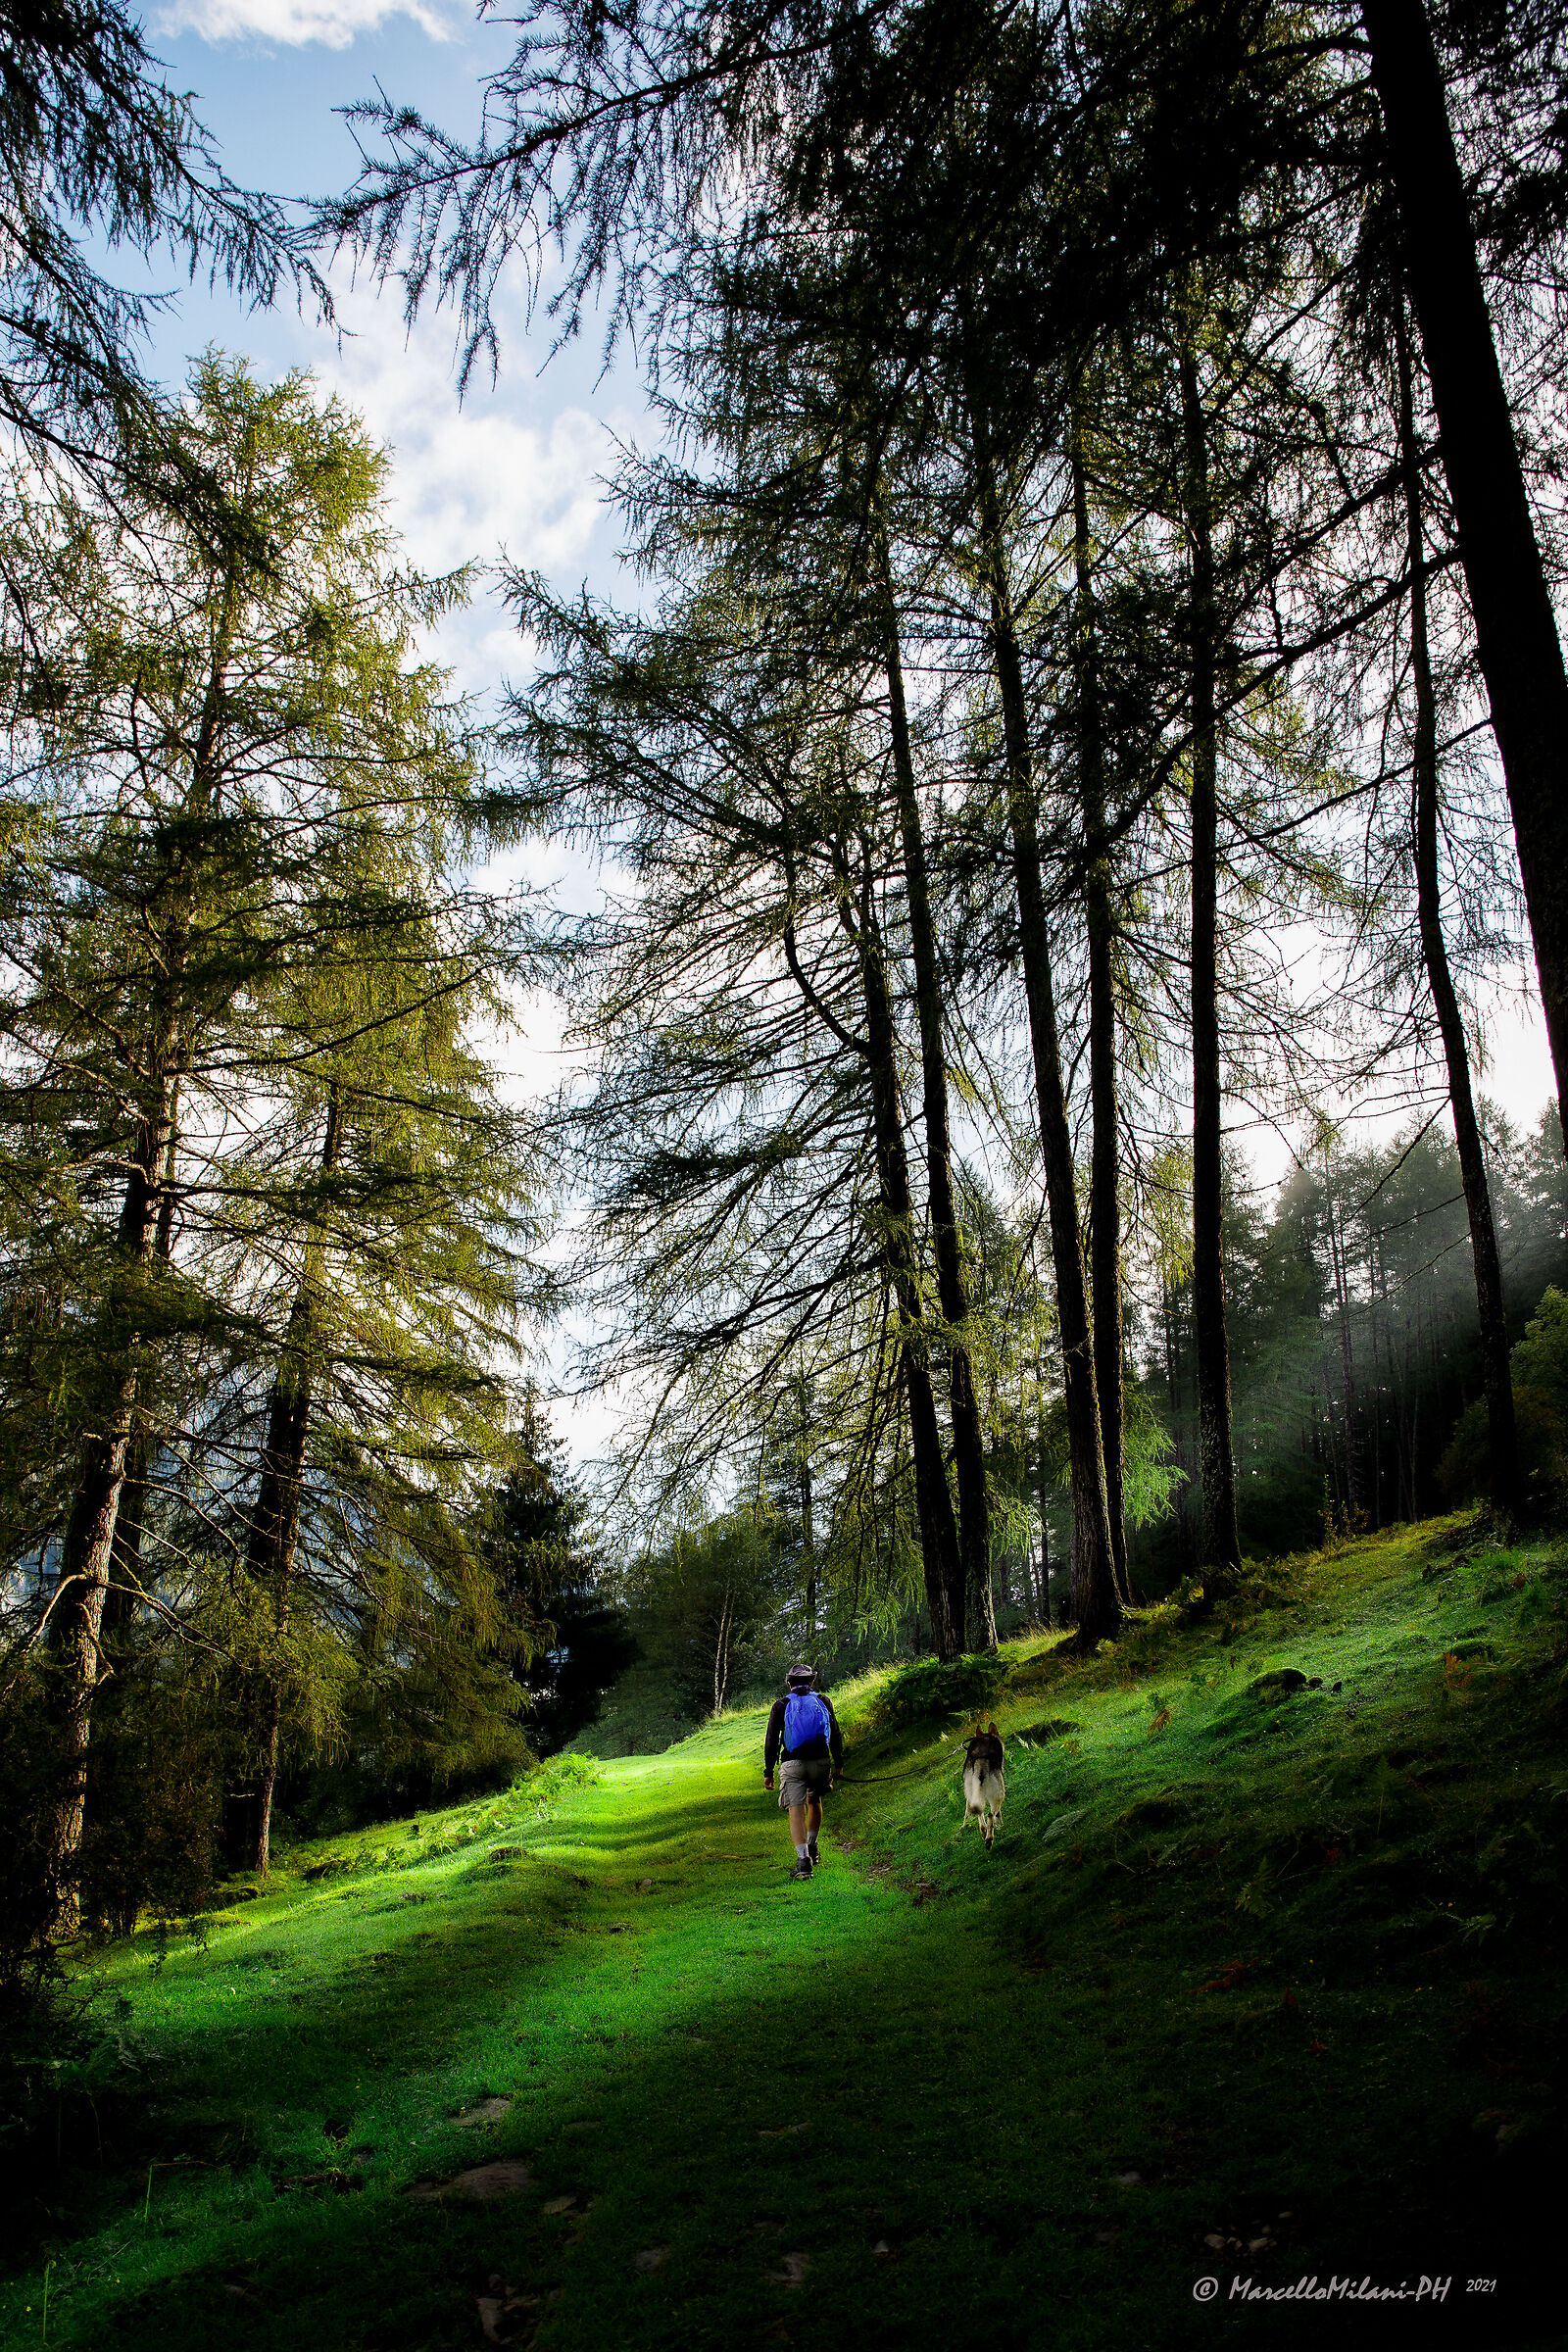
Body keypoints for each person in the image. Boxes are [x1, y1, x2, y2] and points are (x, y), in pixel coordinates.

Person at [762, 1663, 843, 1880]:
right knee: (814, 1801)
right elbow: (835, 1733)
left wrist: (768, 1771)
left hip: (792, 1764)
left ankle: (803, 1862)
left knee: (795, 1809)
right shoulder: (823, 1701)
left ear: (789, 1683)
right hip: (820, 1762)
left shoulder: (780, 1705)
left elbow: (771, 1741)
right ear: (812, 1682)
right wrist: (839, 1763)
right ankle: (813, 1847)